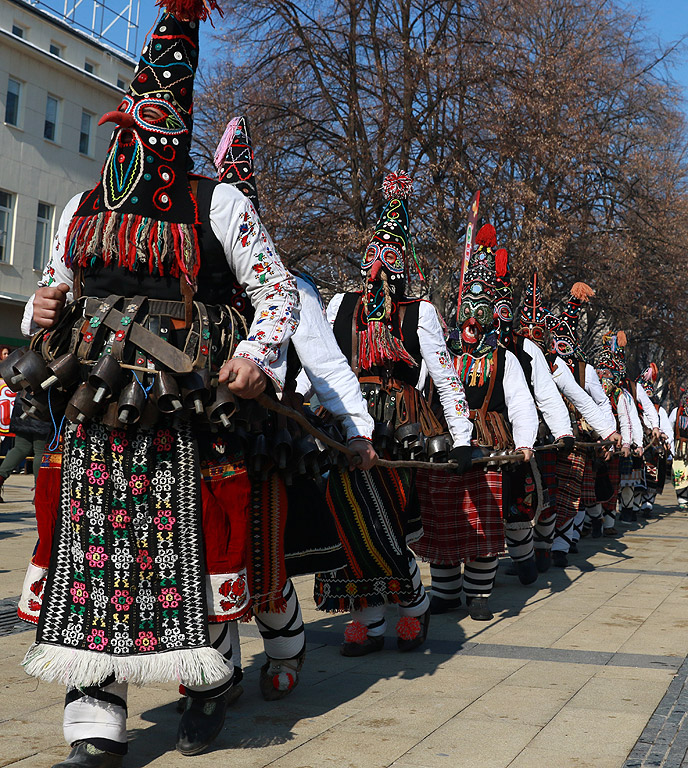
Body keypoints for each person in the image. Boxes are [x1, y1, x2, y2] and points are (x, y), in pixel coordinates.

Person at [18, 5, 300, 766]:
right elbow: (48, 295)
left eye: (155, 128)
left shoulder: (222, 206)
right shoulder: (80, 208)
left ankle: (209, 682)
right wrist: (42, 310)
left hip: (186, 411)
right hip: (93, 409)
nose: (138, 142)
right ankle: (95, 720)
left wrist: (256, 355)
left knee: (194, 547)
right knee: (89, 552)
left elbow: (279, 297)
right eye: (131, 127)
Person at [314, 171, 473, 654]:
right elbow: (317, 362)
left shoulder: (418, 312)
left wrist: (462, 436)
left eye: (389, 259)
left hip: (400, 427)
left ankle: (414, 605)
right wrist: (296, 402)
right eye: (373, 257)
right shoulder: (340, 304)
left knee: (385, 517)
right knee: (347, 516)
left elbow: (445, 377)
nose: (378, 269)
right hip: (344, 422)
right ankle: (370, 617)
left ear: (403, 263)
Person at [415, 223, 538, 620]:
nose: (471, 320)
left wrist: (524, 442)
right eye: (466, 310)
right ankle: (446, 591)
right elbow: (419, 387)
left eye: (478, 312)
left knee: (481, 516)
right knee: (442, 515)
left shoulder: (503, 358)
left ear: (489, 317)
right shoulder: (438, 349)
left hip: (488, 444)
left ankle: (479, 594)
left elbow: (520, 402)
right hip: (443, 444)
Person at [0, 398, 51, 501]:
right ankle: (39, 491)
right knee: (40, 451)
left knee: (20, 448)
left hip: (23, 403)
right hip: (42, 407)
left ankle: (0, 477)